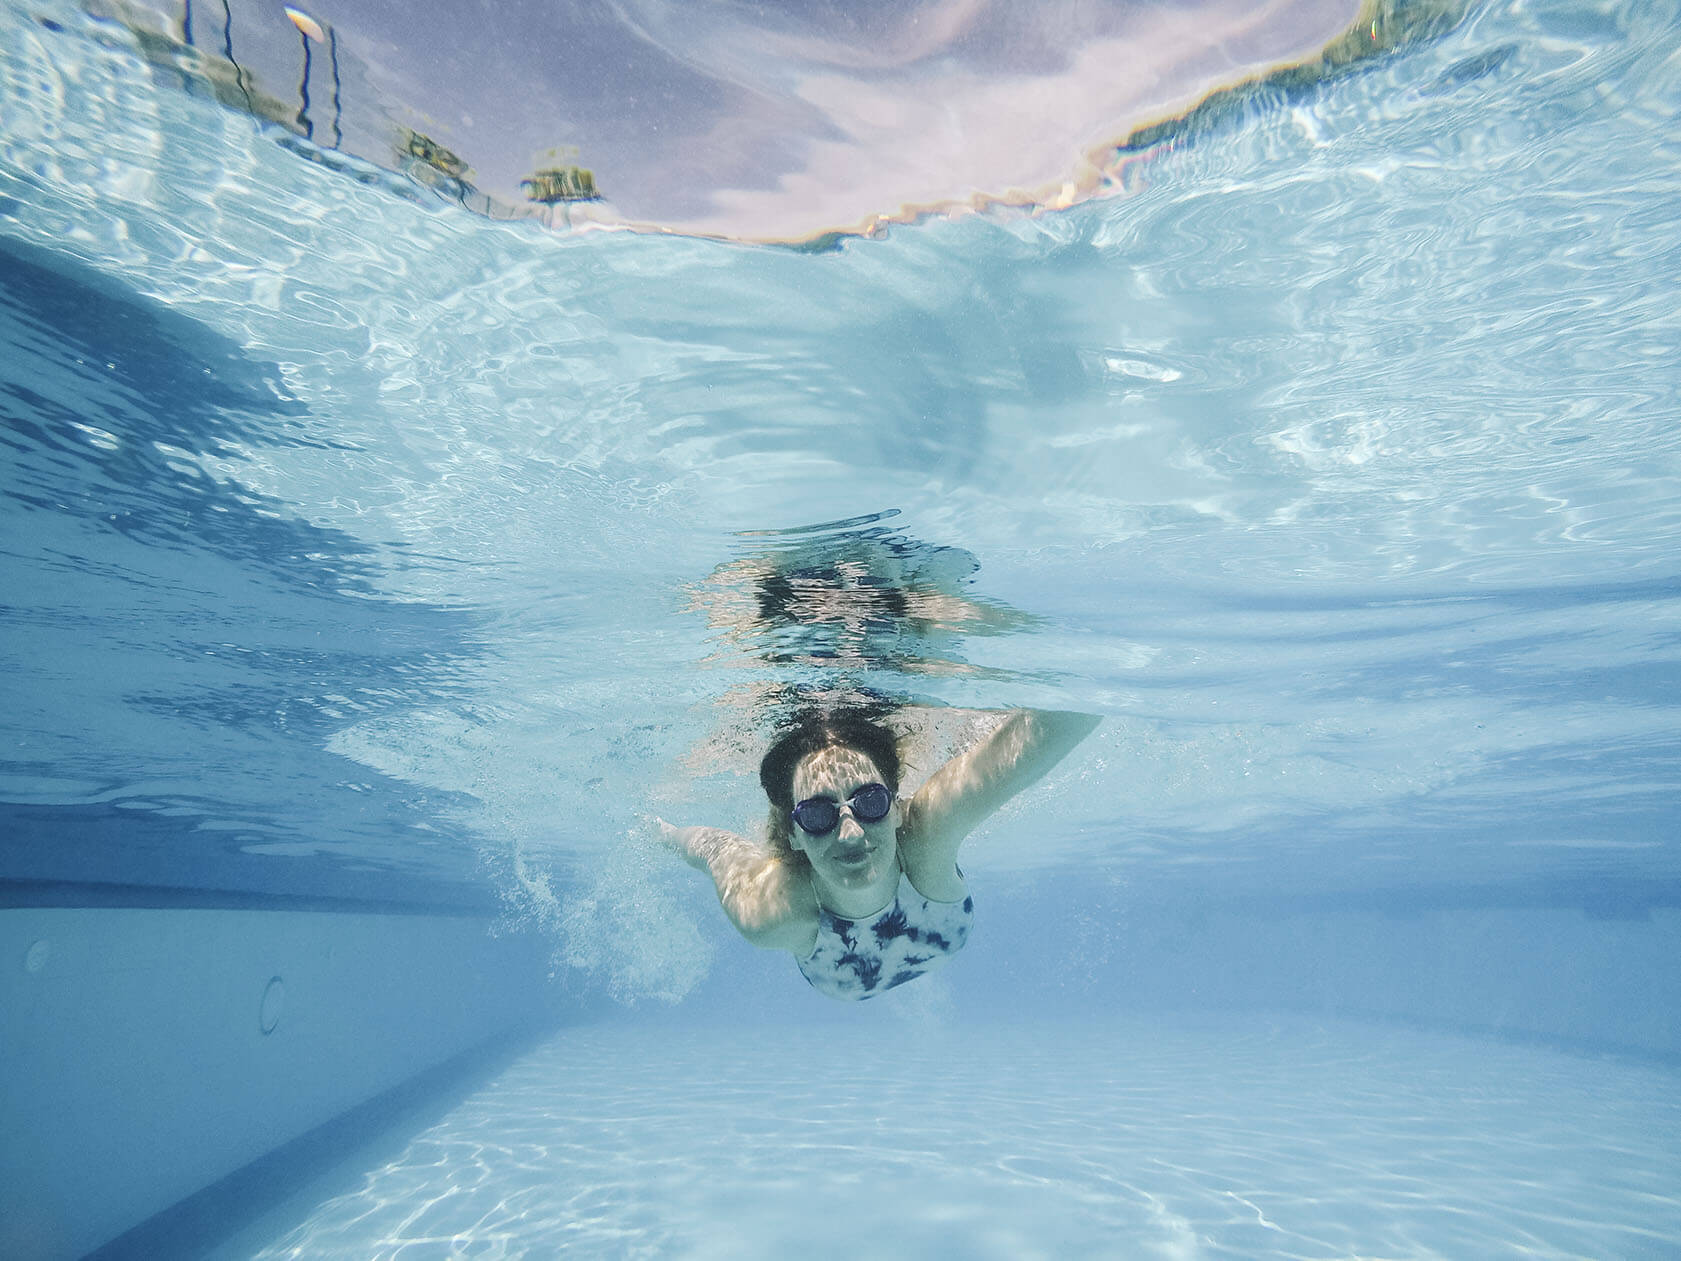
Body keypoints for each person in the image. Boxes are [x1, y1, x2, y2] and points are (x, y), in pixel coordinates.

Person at [658, 706, 1099, 1000]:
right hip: (850, 976)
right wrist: (662, 831)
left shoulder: (922, 837)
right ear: (793, 834)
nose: (850, 835)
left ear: (896, 809)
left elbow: (1036, 740)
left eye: (869, 803)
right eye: (816, 815)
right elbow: (713, 848)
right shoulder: (771, 911)